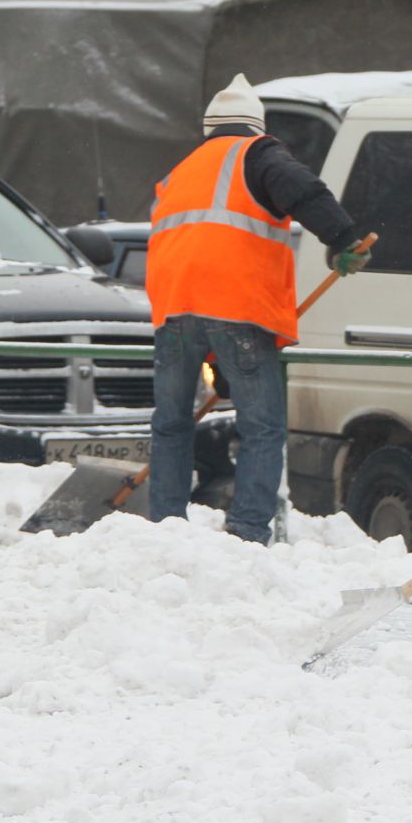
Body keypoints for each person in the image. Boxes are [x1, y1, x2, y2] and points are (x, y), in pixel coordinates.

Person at [147, 74, 369, 543]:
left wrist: (218, 362)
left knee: (170, 425)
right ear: (256, 125)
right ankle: (247, 531)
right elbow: (304, 190)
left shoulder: (179, 172)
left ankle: (165, 531)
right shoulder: (259, 154)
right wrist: (344, 239)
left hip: (172, 313)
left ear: (210, 128)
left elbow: (196, 251)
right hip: (237, 309)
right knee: (262, 429)